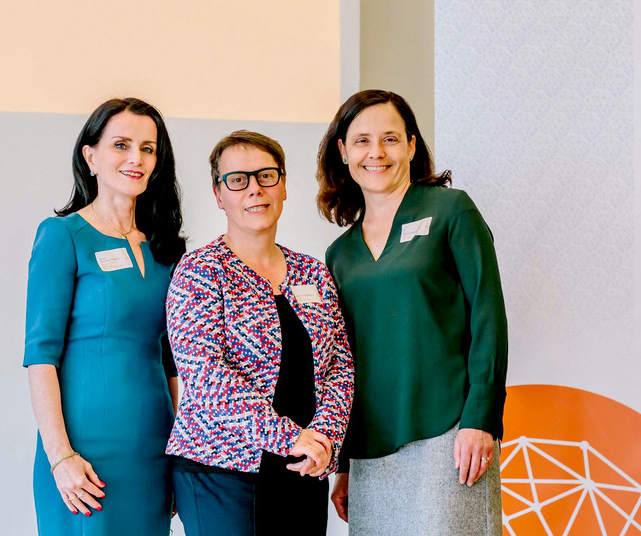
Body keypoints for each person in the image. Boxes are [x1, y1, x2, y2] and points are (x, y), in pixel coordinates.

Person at [316, 89, 508, 536]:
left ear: (412, 145)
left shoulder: (450, 210)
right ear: (343, 151)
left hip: (448, 433)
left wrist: (481, 418)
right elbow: (342, 360)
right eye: (362, 140)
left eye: (390, 138)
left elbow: (487, 315)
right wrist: (343, 462)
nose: (376, 152)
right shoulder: (339, 254)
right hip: (370, 446)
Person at [165, 130, 354, 536]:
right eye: (238, 179)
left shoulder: (313, 273)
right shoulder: (200, 271)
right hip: (222, 470)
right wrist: (291, 437)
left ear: (283, 185)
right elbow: (205, 377)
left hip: (303, 469)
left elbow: (341, 365)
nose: (254, 189)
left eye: (267, 175)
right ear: (219, 195)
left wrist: (324, 438)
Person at [24, 97, 185, 535]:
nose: (136, 159)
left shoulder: (167, 250)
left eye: (148, 148)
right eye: (121, 145)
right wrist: (61, 457)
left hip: (152, 449)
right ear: (90, 155)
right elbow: (40, 357)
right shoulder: (62, 236)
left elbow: (170, 360)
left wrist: (179, 451)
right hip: (83, 454)